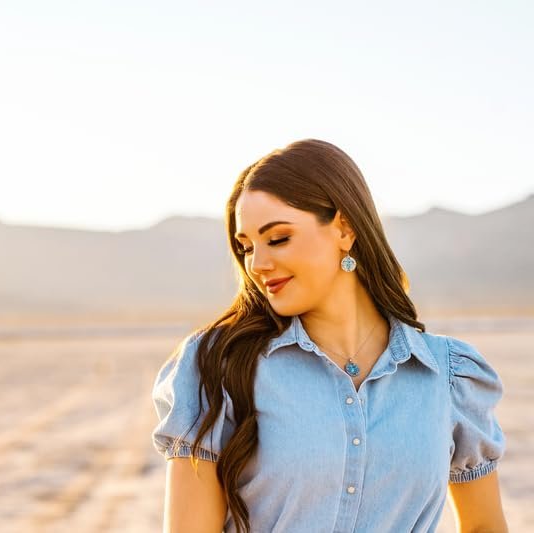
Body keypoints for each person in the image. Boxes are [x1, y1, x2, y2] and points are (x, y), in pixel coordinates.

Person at [150, 139, 508, 533]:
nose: (258, 264)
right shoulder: (217, 366)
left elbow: (484, 527)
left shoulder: (450, 377)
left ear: (345, 228)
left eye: (278, 238)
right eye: (246, 246)